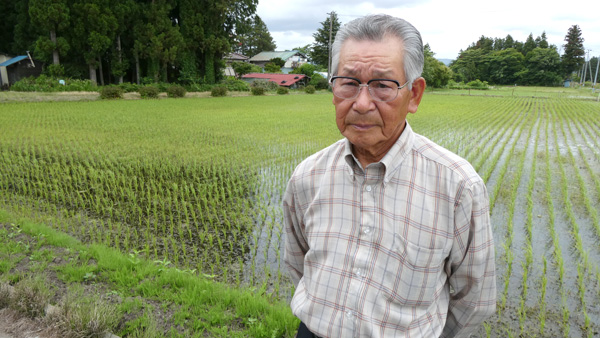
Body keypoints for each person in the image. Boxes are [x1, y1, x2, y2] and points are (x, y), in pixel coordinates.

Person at [283, 14, 496, 338]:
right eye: (349, 83)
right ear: (334, 89)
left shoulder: (458, 188)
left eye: (383, 85)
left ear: (414, 95)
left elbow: (474, 300)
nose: (362, 103)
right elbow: (298, 266)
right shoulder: (307, 177)